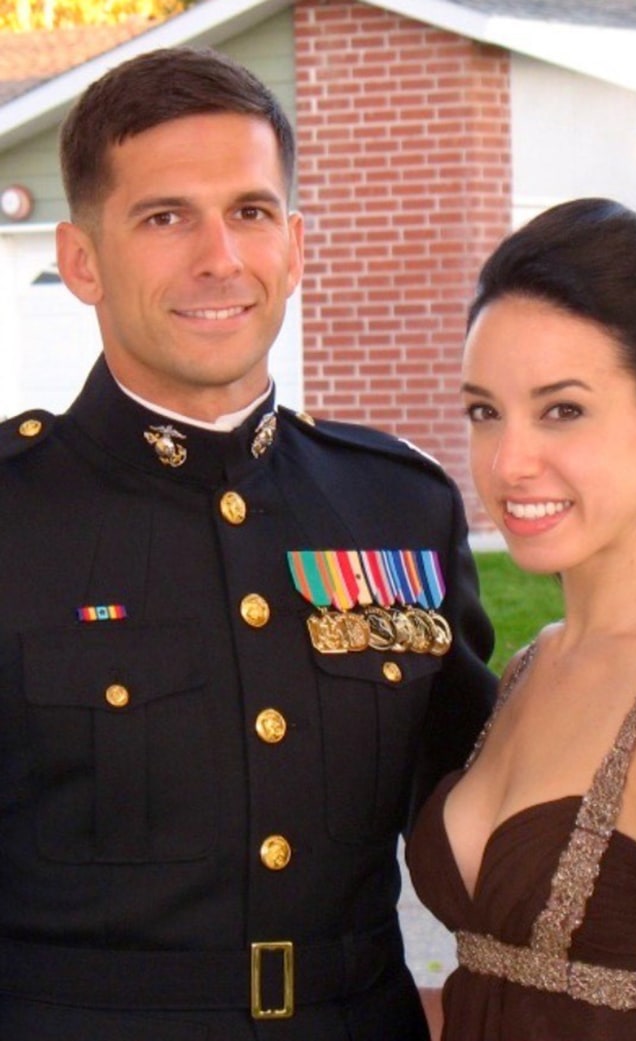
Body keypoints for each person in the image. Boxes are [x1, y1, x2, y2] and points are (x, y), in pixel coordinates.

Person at [0, 46, 497, 1041]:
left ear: (296, 245)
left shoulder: (397, 509)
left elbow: (490, 814)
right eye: (164, 216)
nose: (219, 257)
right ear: (81, 259)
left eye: (251, 211)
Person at [406, 197, 636, 1040]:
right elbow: (504, 993)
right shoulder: (535, 662)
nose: (508, 460)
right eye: (484, 410)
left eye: (562, 409)